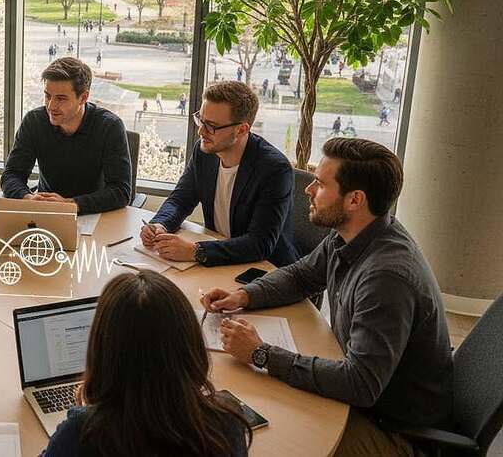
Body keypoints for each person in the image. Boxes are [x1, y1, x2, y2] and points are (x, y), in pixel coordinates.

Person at [201, 138, 452, 457]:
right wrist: (243, 296)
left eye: (319, 183)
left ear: (354, 200)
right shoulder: (355, 232)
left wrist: (261, 353)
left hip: (394, 431)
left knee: (271, 444)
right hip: (366, 400)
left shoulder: (386, 277)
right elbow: (300, 275)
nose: (307, 190)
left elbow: (360, 384)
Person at [41, 271, 250, 456]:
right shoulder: (227, 421)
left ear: (103, 350)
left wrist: (90, 414)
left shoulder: (82, 433)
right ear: (190, 345)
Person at [140, 81, 298, 267]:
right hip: (220, 261)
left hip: (265, 270)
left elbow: (259, 243)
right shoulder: (204, 153)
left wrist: (196, 251)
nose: (201, 131)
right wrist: (160, 225)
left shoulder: (274, 170)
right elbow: (180, 200)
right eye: (201, 120)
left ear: (242, 129)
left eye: (212, 126)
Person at [1, 57, 132, 214]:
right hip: (46, 212)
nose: (51, 106)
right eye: (48, 96)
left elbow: (121, 191)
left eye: (61, 98)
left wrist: (70, 204)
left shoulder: (109, 127)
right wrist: (28, 198)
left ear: (83, 98)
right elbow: (11, 175)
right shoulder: (34, 121)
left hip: (94, 214)